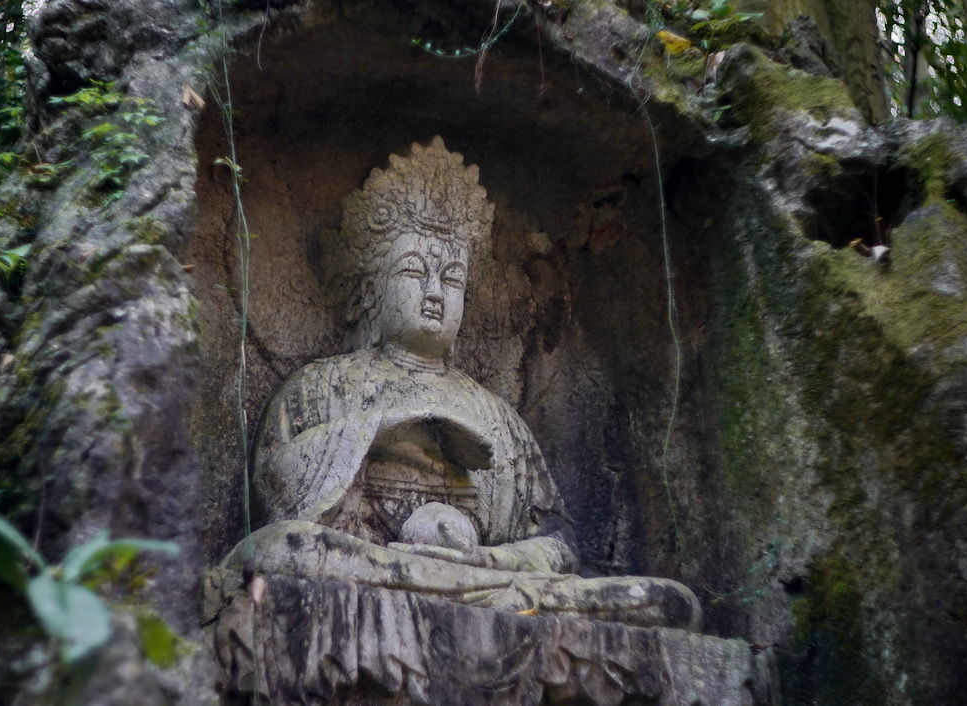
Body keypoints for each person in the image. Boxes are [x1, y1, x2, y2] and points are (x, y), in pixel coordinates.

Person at [224, 137, 701, 630]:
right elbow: (276, 506)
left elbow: (559, 547)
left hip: (481, 577)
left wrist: (483, 560)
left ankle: (460, 590)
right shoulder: (320, 388)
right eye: (414, 271)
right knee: (282, 551)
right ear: (372, 284)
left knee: (669, 601)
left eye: (452, 278)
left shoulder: (499, 419)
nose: (435, 292)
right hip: (367, 565)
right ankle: (446, 590)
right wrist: (378, 429)